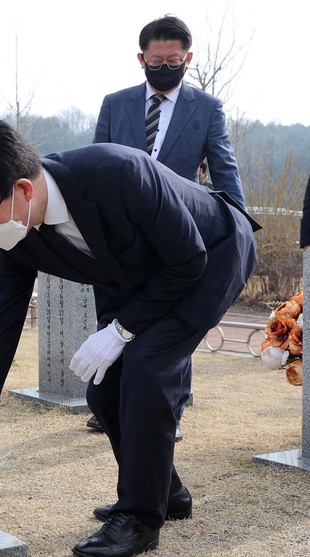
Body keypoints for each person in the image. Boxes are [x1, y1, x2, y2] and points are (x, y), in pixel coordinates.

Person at [0, 119, 258, 557]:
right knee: (103, 390)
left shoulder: (117, 171)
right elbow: (3, 323)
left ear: (23, 190)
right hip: (136, 280)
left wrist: (121, 331)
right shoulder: (15, 231)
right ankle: (168, 491)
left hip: (209, 254)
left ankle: (140, 517)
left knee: (146, 365)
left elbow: (188, 260)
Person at [87, 14, 246, 439]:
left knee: (173, 318)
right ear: (141, 59)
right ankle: (112, 399)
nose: (164, 67)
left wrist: (240, 229)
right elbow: (96, 162)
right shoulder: (115, 103)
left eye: (173, 59)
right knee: (116, 314)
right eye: (155, 60)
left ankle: (169, 407)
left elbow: (224, 168)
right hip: (121, 233)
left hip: (179, 231)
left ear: (187, 59)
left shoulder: (207, 109)